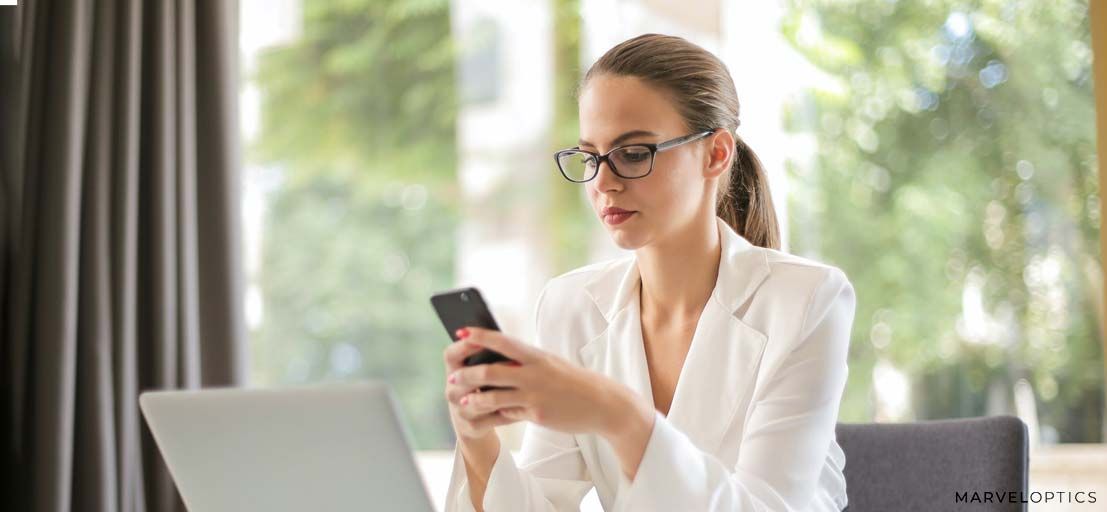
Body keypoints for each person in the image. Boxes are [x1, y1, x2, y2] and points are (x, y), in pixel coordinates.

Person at [441, 33, 855, 512]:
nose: (602, 182)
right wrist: (477, 439)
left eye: (633, 153)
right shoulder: (572, 305)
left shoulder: (807, 299)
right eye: (590, 157)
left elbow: (767, 506)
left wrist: (618, 414)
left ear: (716, 153)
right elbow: (546, 503)